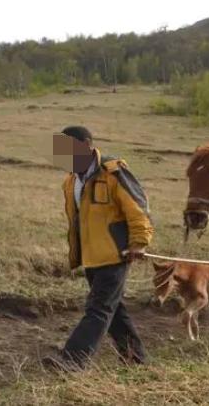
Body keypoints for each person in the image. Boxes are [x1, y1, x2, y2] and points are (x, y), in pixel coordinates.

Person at [43, 126, 154, 371]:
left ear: (85, 145)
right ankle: (136, 358)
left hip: (116, 254)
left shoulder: (113, 172)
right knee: (112, 309)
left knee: (98, 308)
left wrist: (139, 242)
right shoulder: (71, 181)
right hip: (91, 257)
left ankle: (73, 361)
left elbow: (138, 208)